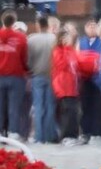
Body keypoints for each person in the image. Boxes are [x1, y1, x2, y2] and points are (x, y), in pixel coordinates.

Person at [27, 14, 57, 143]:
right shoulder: (54, 39)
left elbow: (28, 60)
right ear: (48, 25)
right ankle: (49, 135)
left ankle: (39, 136)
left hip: (37, 75)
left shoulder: (31, 39)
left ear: (38, 25)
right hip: (52, 75)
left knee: (38, 106)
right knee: (50, 106)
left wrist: (31, 69)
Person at [51, 24, 82, 145]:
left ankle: (73, 135)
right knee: (67, 112)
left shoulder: (71, 50)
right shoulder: (58, 51)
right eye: (68, 38)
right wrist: (66, 49)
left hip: (72, 86)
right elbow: (61, 65)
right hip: (63, 86)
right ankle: (66, 136)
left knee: (73, 112)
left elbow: (76, 65)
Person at [0, 10, 28, 138]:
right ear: (14, 22)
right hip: (16, 76)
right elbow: (24, 58)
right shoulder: (20, 38)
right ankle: (13, 132)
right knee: (14, 106)